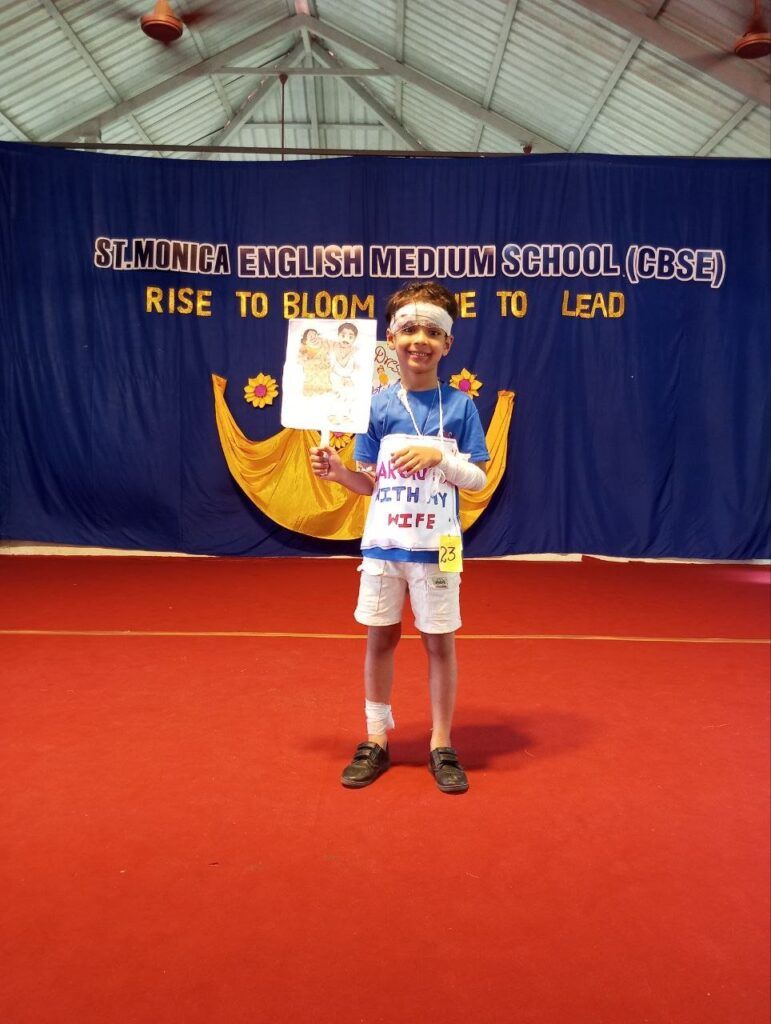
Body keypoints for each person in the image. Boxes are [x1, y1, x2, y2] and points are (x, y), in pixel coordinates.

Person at [310, 281, 489, 794]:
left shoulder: (460, 407)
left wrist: (442, 458)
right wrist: (339, 473)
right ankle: (376, 737)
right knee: (380, 639)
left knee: (440, 643)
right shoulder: (376, 407)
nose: (419, 340)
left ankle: (441, 742)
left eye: (432, 331)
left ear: (448, 343)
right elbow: (370, 483)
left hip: (441, 548)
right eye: (409, 329)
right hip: (383, 546)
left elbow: (478, 480)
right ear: (391, 338)